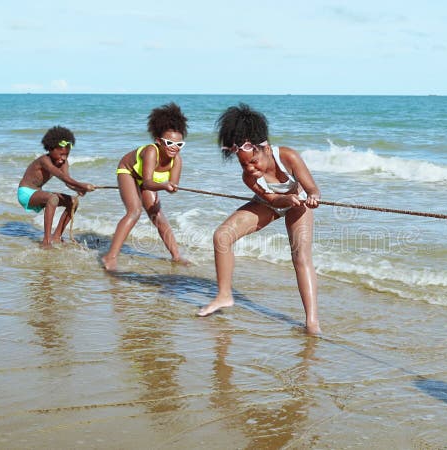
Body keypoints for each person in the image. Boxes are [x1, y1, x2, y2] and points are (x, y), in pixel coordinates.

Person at [196, 103, 322, 334]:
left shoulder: (288, 156)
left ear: (265, 148)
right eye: (243, 164)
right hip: (271, 203)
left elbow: (312, 188)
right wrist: (283, 200)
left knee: (300, 256)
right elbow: (273, 200)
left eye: (253, 162)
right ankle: (224, 295)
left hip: (299, 203)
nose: (250, 169)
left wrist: (312, 197)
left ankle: (312, 322)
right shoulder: (249, 177)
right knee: (221, 236)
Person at [101, 102, 189, 270]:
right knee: (134, 211)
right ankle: (110, 257)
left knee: (159, 217)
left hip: (148, 181)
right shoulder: (151, 151)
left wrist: (172, 187)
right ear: (158, 141)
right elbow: (148, 182)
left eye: (179, 145)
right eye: (169, 143)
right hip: (129, 172)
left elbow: (172, 186)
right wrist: (164, 186)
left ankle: (176, 256)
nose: (174, 148)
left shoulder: (176, 160)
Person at [17, 125, 94, 248]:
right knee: (52, 198)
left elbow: (68, 182)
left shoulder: (63, 163)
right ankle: (46, 241)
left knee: (73, 202)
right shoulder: (44, 160)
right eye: (61, 154)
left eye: (67, 155)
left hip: (38, 193)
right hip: (26, 193)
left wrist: (79, 189)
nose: (63, 158)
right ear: (51, 149)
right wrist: (82, 185)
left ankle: (57, 236)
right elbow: (61, 176)